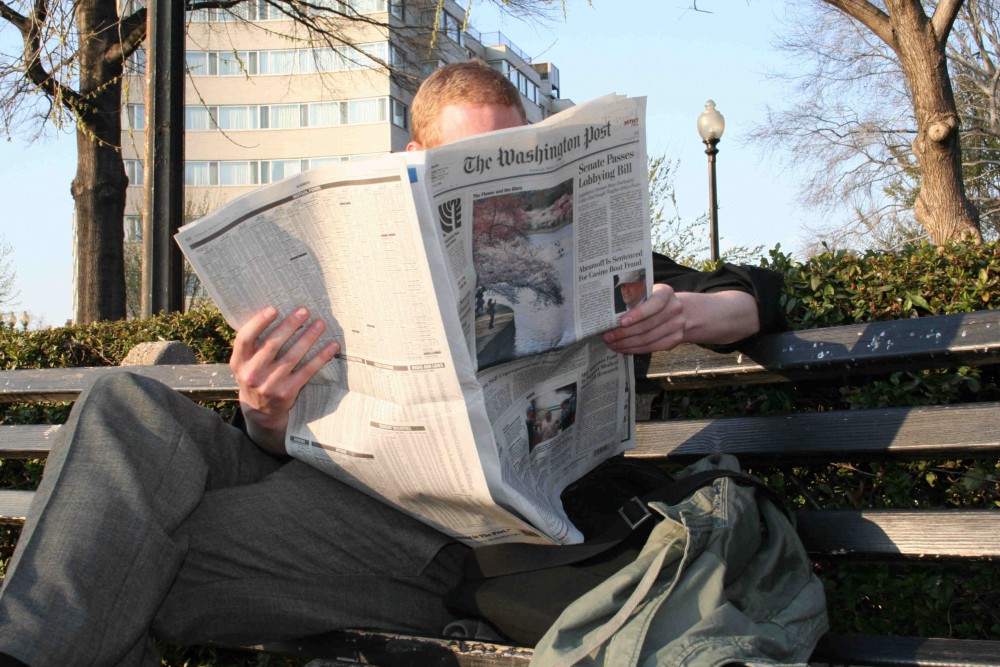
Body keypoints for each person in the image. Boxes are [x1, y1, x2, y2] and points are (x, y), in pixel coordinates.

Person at [0, 59, 779, 666]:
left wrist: (692, 312)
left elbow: (761, 294)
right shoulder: (362, 253)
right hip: (339, 497)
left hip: (468, 547)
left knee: (129, 559)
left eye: (506, 155)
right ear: (417, 156)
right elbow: (288, 441)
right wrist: (267, 413)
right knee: (120, 405)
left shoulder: (579, 249)